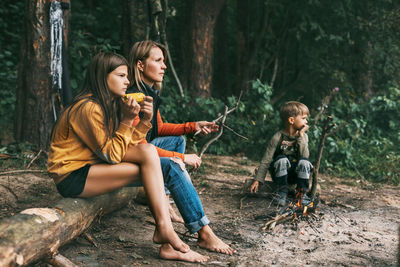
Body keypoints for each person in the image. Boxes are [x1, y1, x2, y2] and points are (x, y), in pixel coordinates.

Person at [47, 52, 209, 263]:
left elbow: (127, 146)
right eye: (121, 75)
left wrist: (144, 121)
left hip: (93, 167)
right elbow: (112, 155)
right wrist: (126, 119)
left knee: (149, 152)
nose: (128, 81)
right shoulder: (88, 108)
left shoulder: (107, 104)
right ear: (103, 77)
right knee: (153, 167)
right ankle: (165, 232)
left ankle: (165, 232)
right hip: (73, 176)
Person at [127, 40, 236, 255]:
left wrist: (192, 126)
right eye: (158, 61)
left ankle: (164, 203)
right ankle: (203, 232)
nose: (164, 66)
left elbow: (157, 129)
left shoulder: (148, 92)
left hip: (142, 151)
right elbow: (139, 147)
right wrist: (181, 158)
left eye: (164, 62)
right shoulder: (133, 96)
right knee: (175, 164)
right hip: (128, 156)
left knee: (178, 141)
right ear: (140, 65)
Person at [249, 101, 313, 206]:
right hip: (280, 174)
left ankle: (301, 194)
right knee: (282, 159)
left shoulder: (303, 136)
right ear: (291, 120)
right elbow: (267, 159)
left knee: (305, 162)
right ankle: (281, 192)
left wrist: (301, 136)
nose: (306, 122)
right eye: (303, 118)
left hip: (296, 174)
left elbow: (304, 157)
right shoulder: (278, 137)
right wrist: (258, 180)